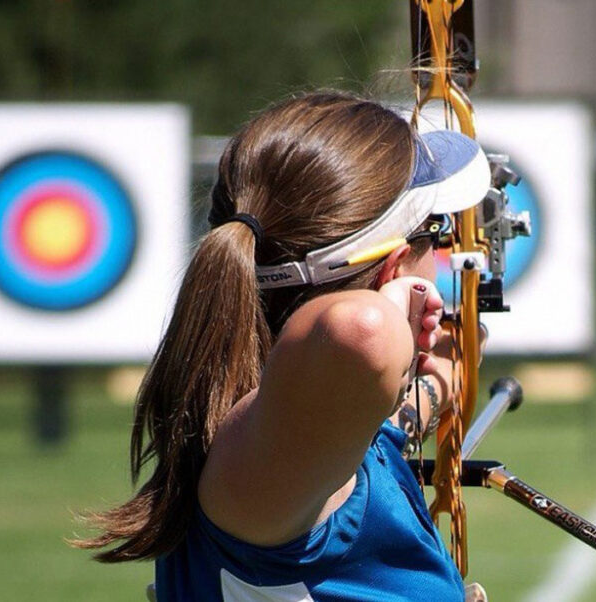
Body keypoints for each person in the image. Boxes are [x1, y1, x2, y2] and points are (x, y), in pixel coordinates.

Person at [73, 91, 493, 601]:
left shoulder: (289, 431)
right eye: (437, 232)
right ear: (394, 265)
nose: (442, 255)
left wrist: (438, 377)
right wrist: (400, 308)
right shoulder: (256, 463)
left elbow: (380, 427)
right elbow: (359, 331)